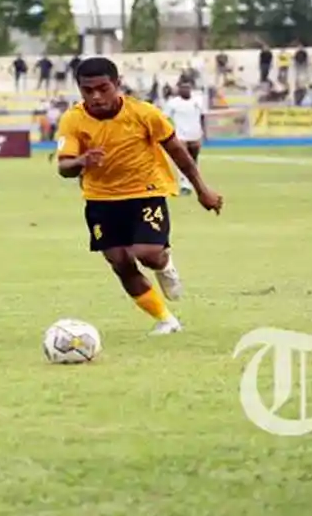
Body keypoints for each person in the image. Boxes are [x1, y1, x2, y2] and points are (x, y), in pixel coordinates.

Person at [55, 57, 223, 335]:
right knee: (120, 262)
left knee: (148, 254)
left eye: (103, 88)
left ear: (117, 84)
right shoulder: (73, 120)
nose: (96, 96)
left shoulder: (144, 113)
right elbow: (64, 167)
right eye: (88, 90)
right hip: (101, 200)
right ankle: (166, 319)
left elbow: (178, 151)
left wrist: (202, 190)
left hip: (145, 192)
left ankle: (164, 263)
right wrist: (82, 161)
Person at [162, 79, 206, 195]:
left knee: (193, 161)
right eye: (183, 88)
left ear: (191, 88)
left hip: (195, 135)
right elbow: (164, 118)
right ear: (178, 89)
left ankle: (194, 183)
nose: (185, 90)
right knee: (183, 159)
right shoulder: (173, 103)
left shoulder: (198, 101)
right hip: (180, 135)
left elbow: (202, 117)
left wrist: (204, 132)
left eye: (187, 87)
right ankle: (184, 185)